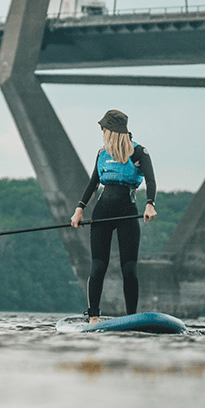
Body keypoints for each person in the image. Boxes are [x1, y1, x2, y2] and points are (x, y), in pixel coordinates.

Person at [70, 109, 157, 322]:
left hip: (128, 212)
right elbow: (93, 184)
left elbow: (151, 180)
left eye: (103, 127)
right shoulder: (102, 153)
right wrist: (79, 210)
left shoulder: (139, 153)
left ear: (112, 130)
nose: (101, 131)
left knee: (129, 268)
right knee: (98, 265)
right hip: (103, 212)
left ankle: (132, 318)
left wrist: (150, 205)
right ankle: (93, 317)